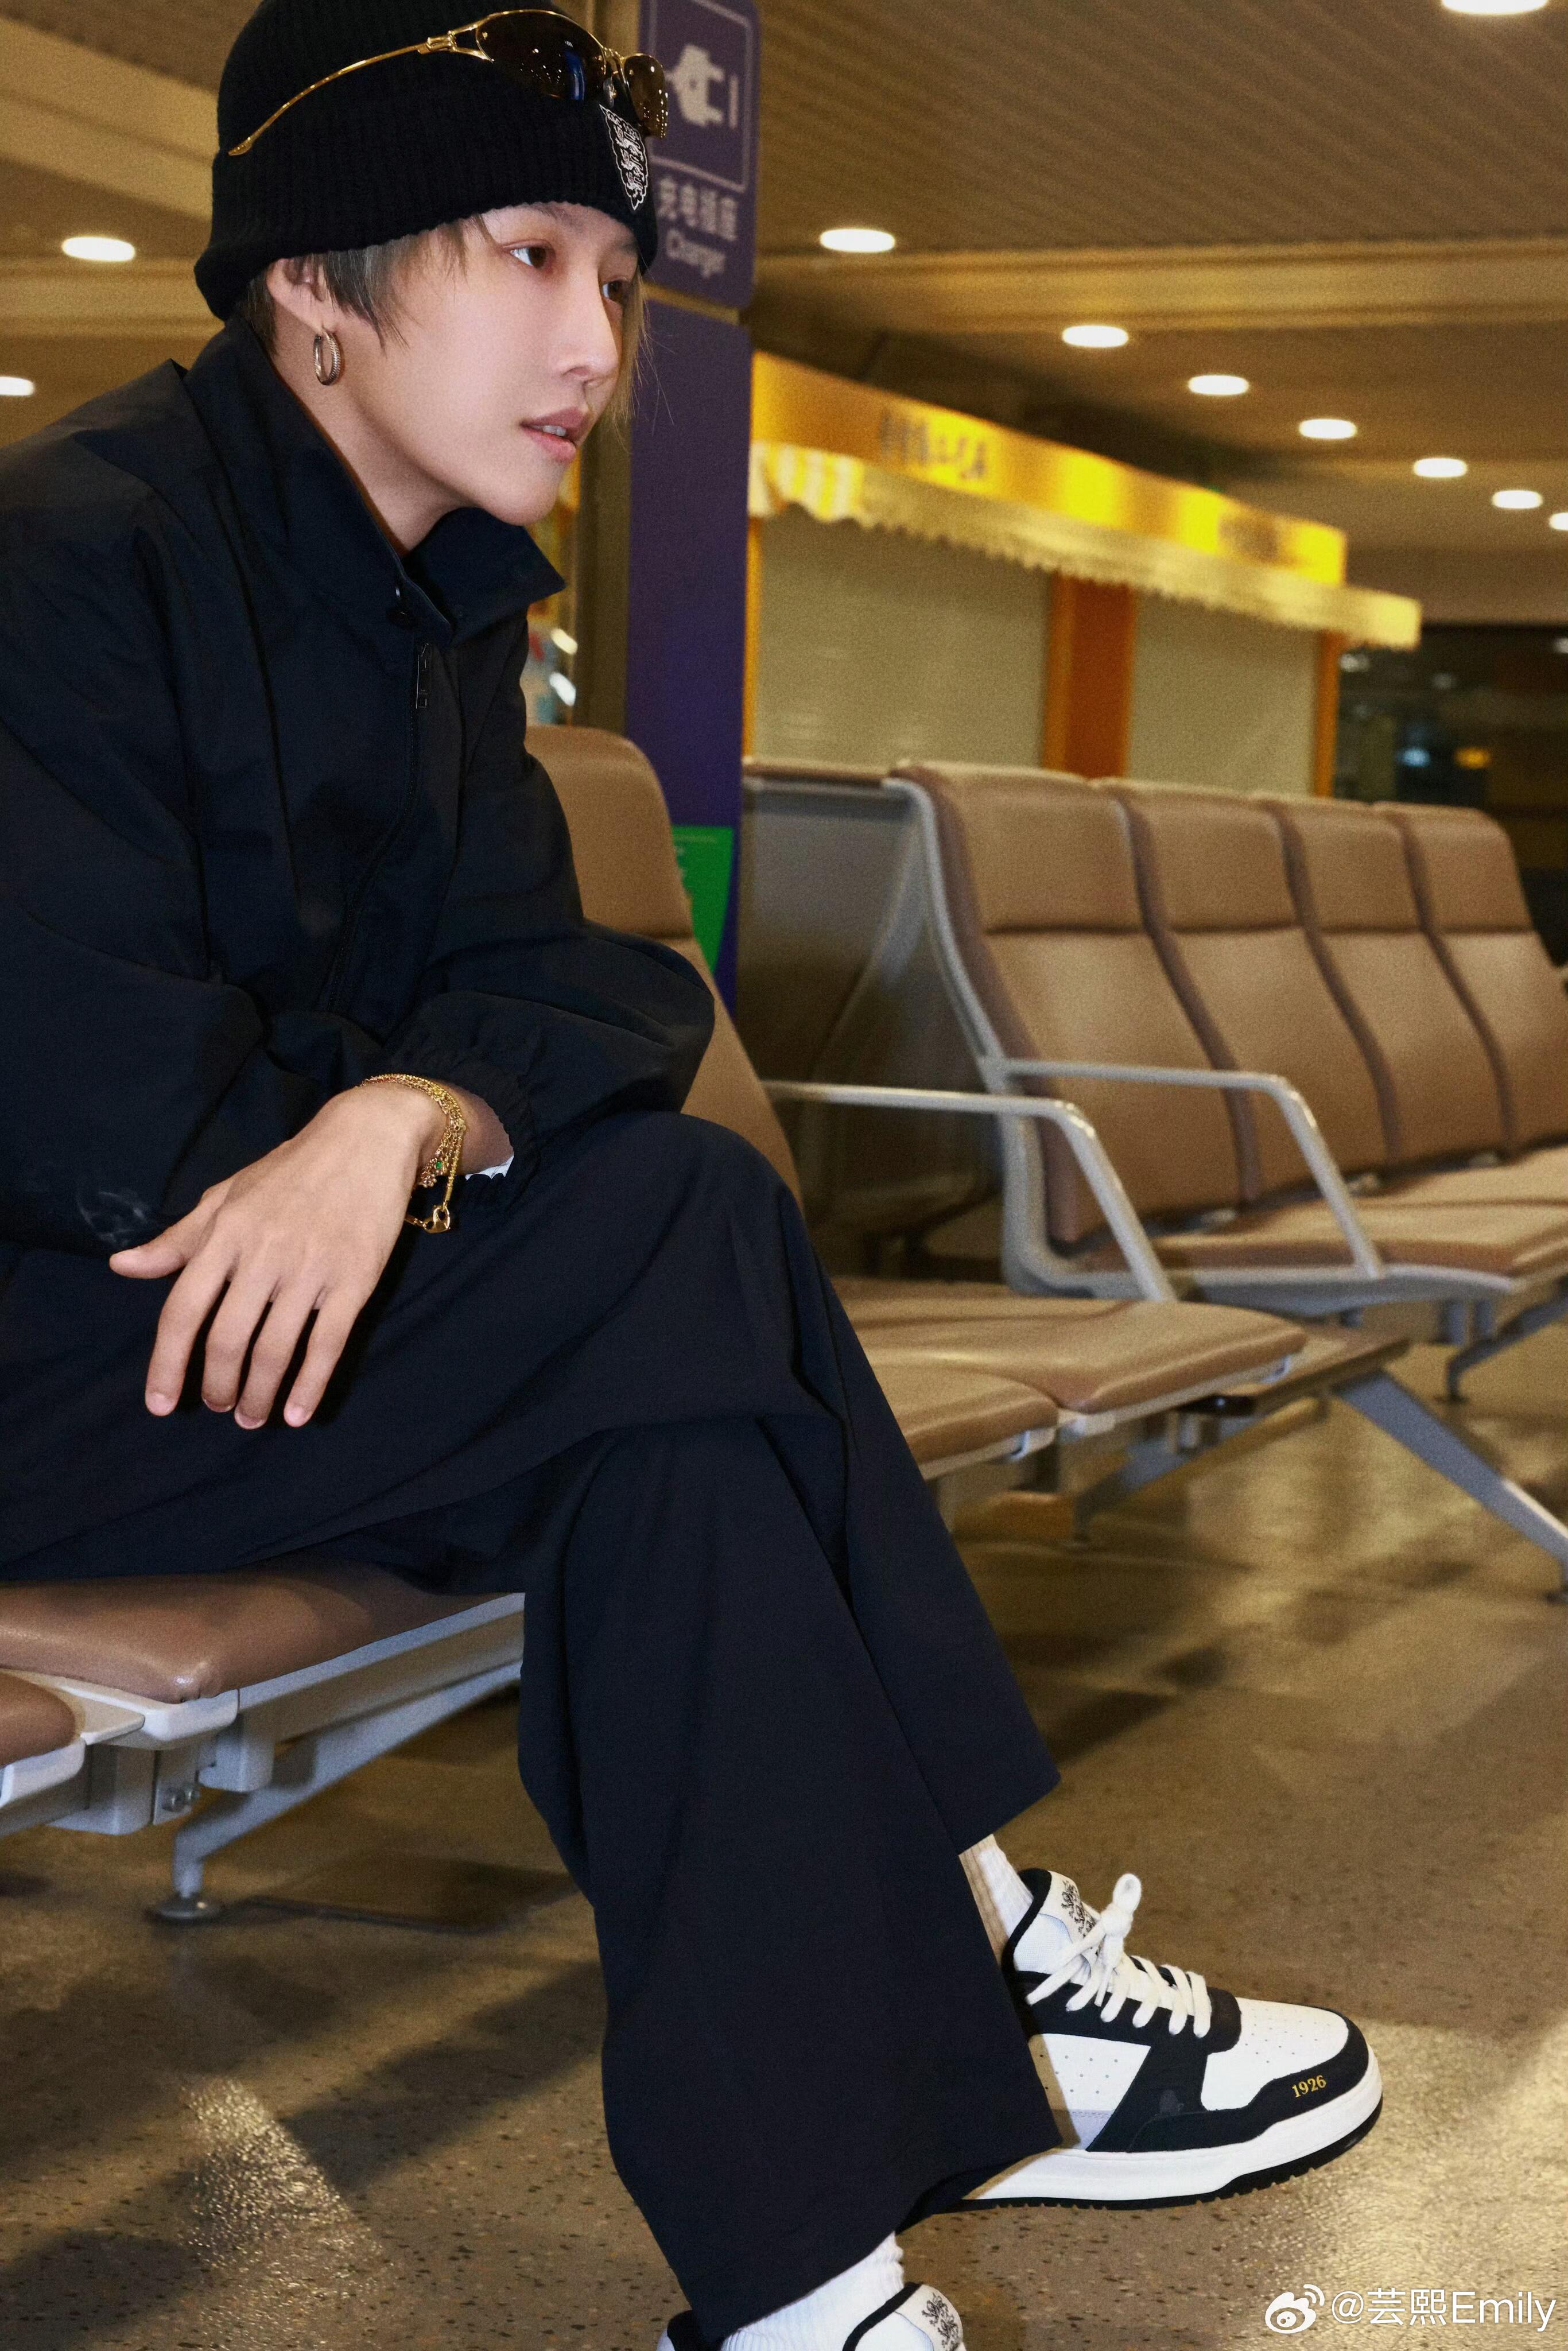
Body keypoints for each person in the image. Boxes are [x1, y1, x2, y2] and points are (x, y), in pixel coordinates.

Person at [0, 5, 1381, 2345]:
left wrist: (404, 1117)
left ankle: (803, 2286)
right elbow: (114, 1128)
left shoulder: (440, 600)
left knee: (672, 1457)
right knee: (682, 1226)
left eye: (619, 280)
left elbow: (590, 993)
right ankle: (976, 1941)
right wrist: (408, 1104)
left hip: (265, 1328)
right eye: (525, 255)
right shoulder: (69, 555)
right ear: (312, 287)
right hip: (66, 1341)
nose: (594, 343)